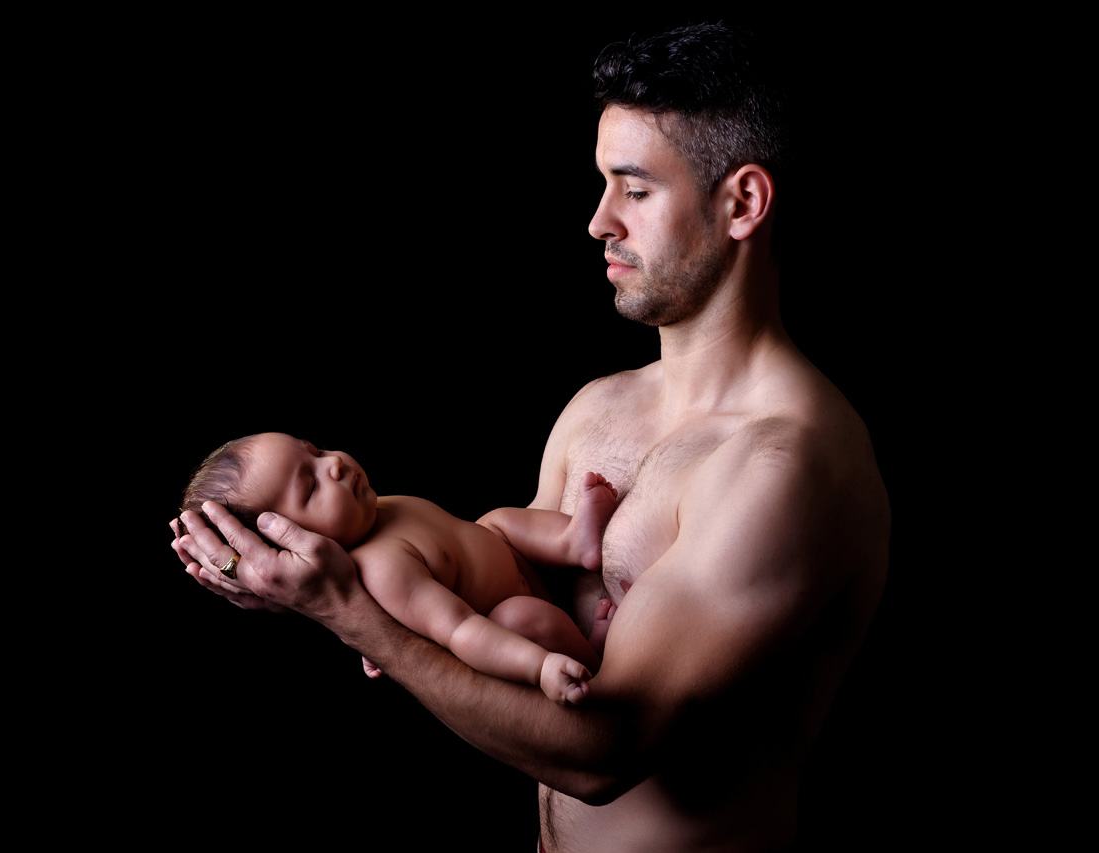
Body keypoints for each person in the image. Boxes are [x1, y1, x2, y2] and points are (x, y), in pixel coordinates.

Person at [173, 22, 890, 851]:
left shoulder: (788, 464)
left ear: (744, 203)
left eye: (635, 189)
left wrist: (351, 615)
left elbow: (605, 753)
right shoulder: (595, 410)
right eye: (601, 184)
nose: (598, 223)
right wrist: (311, 571)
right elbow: (501, 628)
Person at [178, 431, 620, 705]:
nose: (333, 463)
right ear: (287, 542)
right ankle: (588, 660)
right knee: (522, 618)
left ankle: (570, 542)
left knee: (496, 521)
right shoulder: (381, 570)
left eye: (315, 450)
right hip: (511, 615)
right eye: (311, 485)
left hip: (516, 561)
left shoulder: (378, 509)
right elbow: (459, 629)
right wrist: (537, 667)